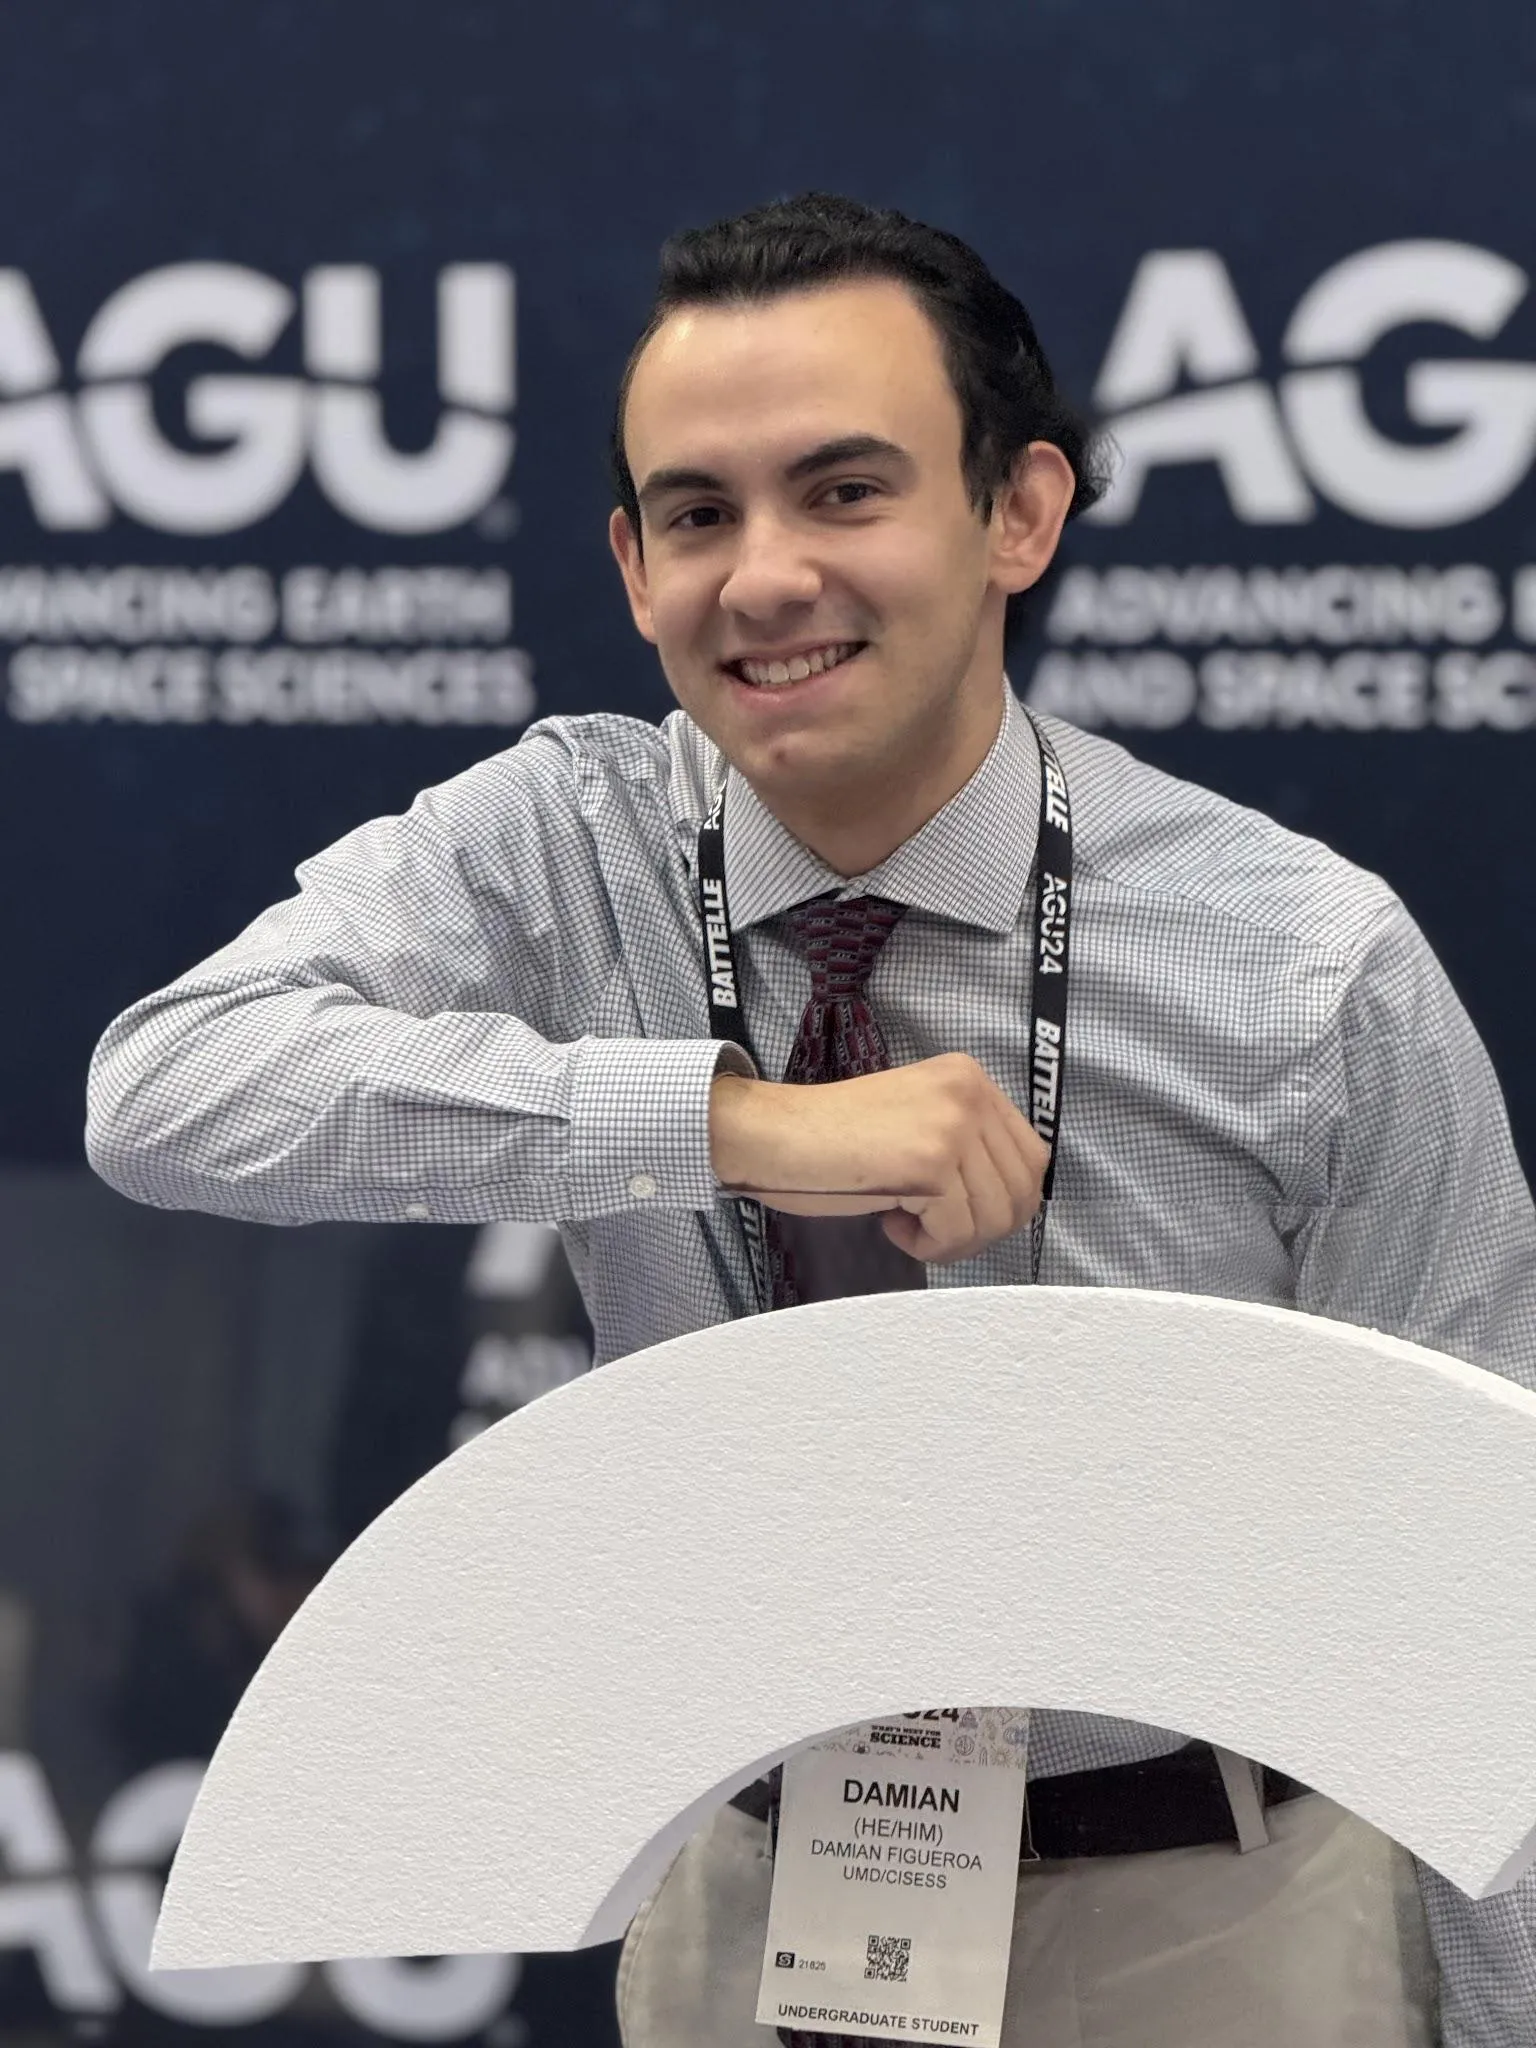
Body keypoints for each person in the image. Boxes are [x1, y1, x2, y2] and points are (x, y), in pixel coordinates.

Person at [85, 193, 1536, 2046]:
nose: (766, 577)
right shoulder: (572, 841)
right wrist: (730, 1123)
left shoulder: (1307, 962)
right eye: (699, 515)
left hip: (1214, 1913)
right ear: (633, 568)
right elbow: (170, 1085)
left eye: (846, 491)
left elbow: (1485, 1591)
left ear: (1019, 514)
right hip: (751, 1898)